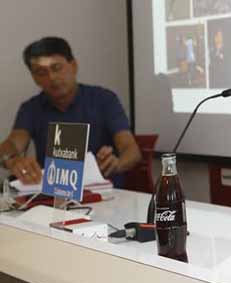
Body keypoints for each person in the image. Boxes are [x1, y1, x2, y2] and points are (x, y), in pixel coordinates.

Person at [0, 37, 141, 188]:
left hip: (104, 193)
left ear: (73, 66)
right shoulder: (31, 108)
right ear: (34, 78)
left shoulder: (104, 99)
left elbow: (131, 150)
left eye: (56, 68)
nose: (52, 78)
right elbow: (12, 144)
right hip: (53, 197)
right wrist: (14, 160)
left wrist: (118, 163)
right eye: (41, 72)